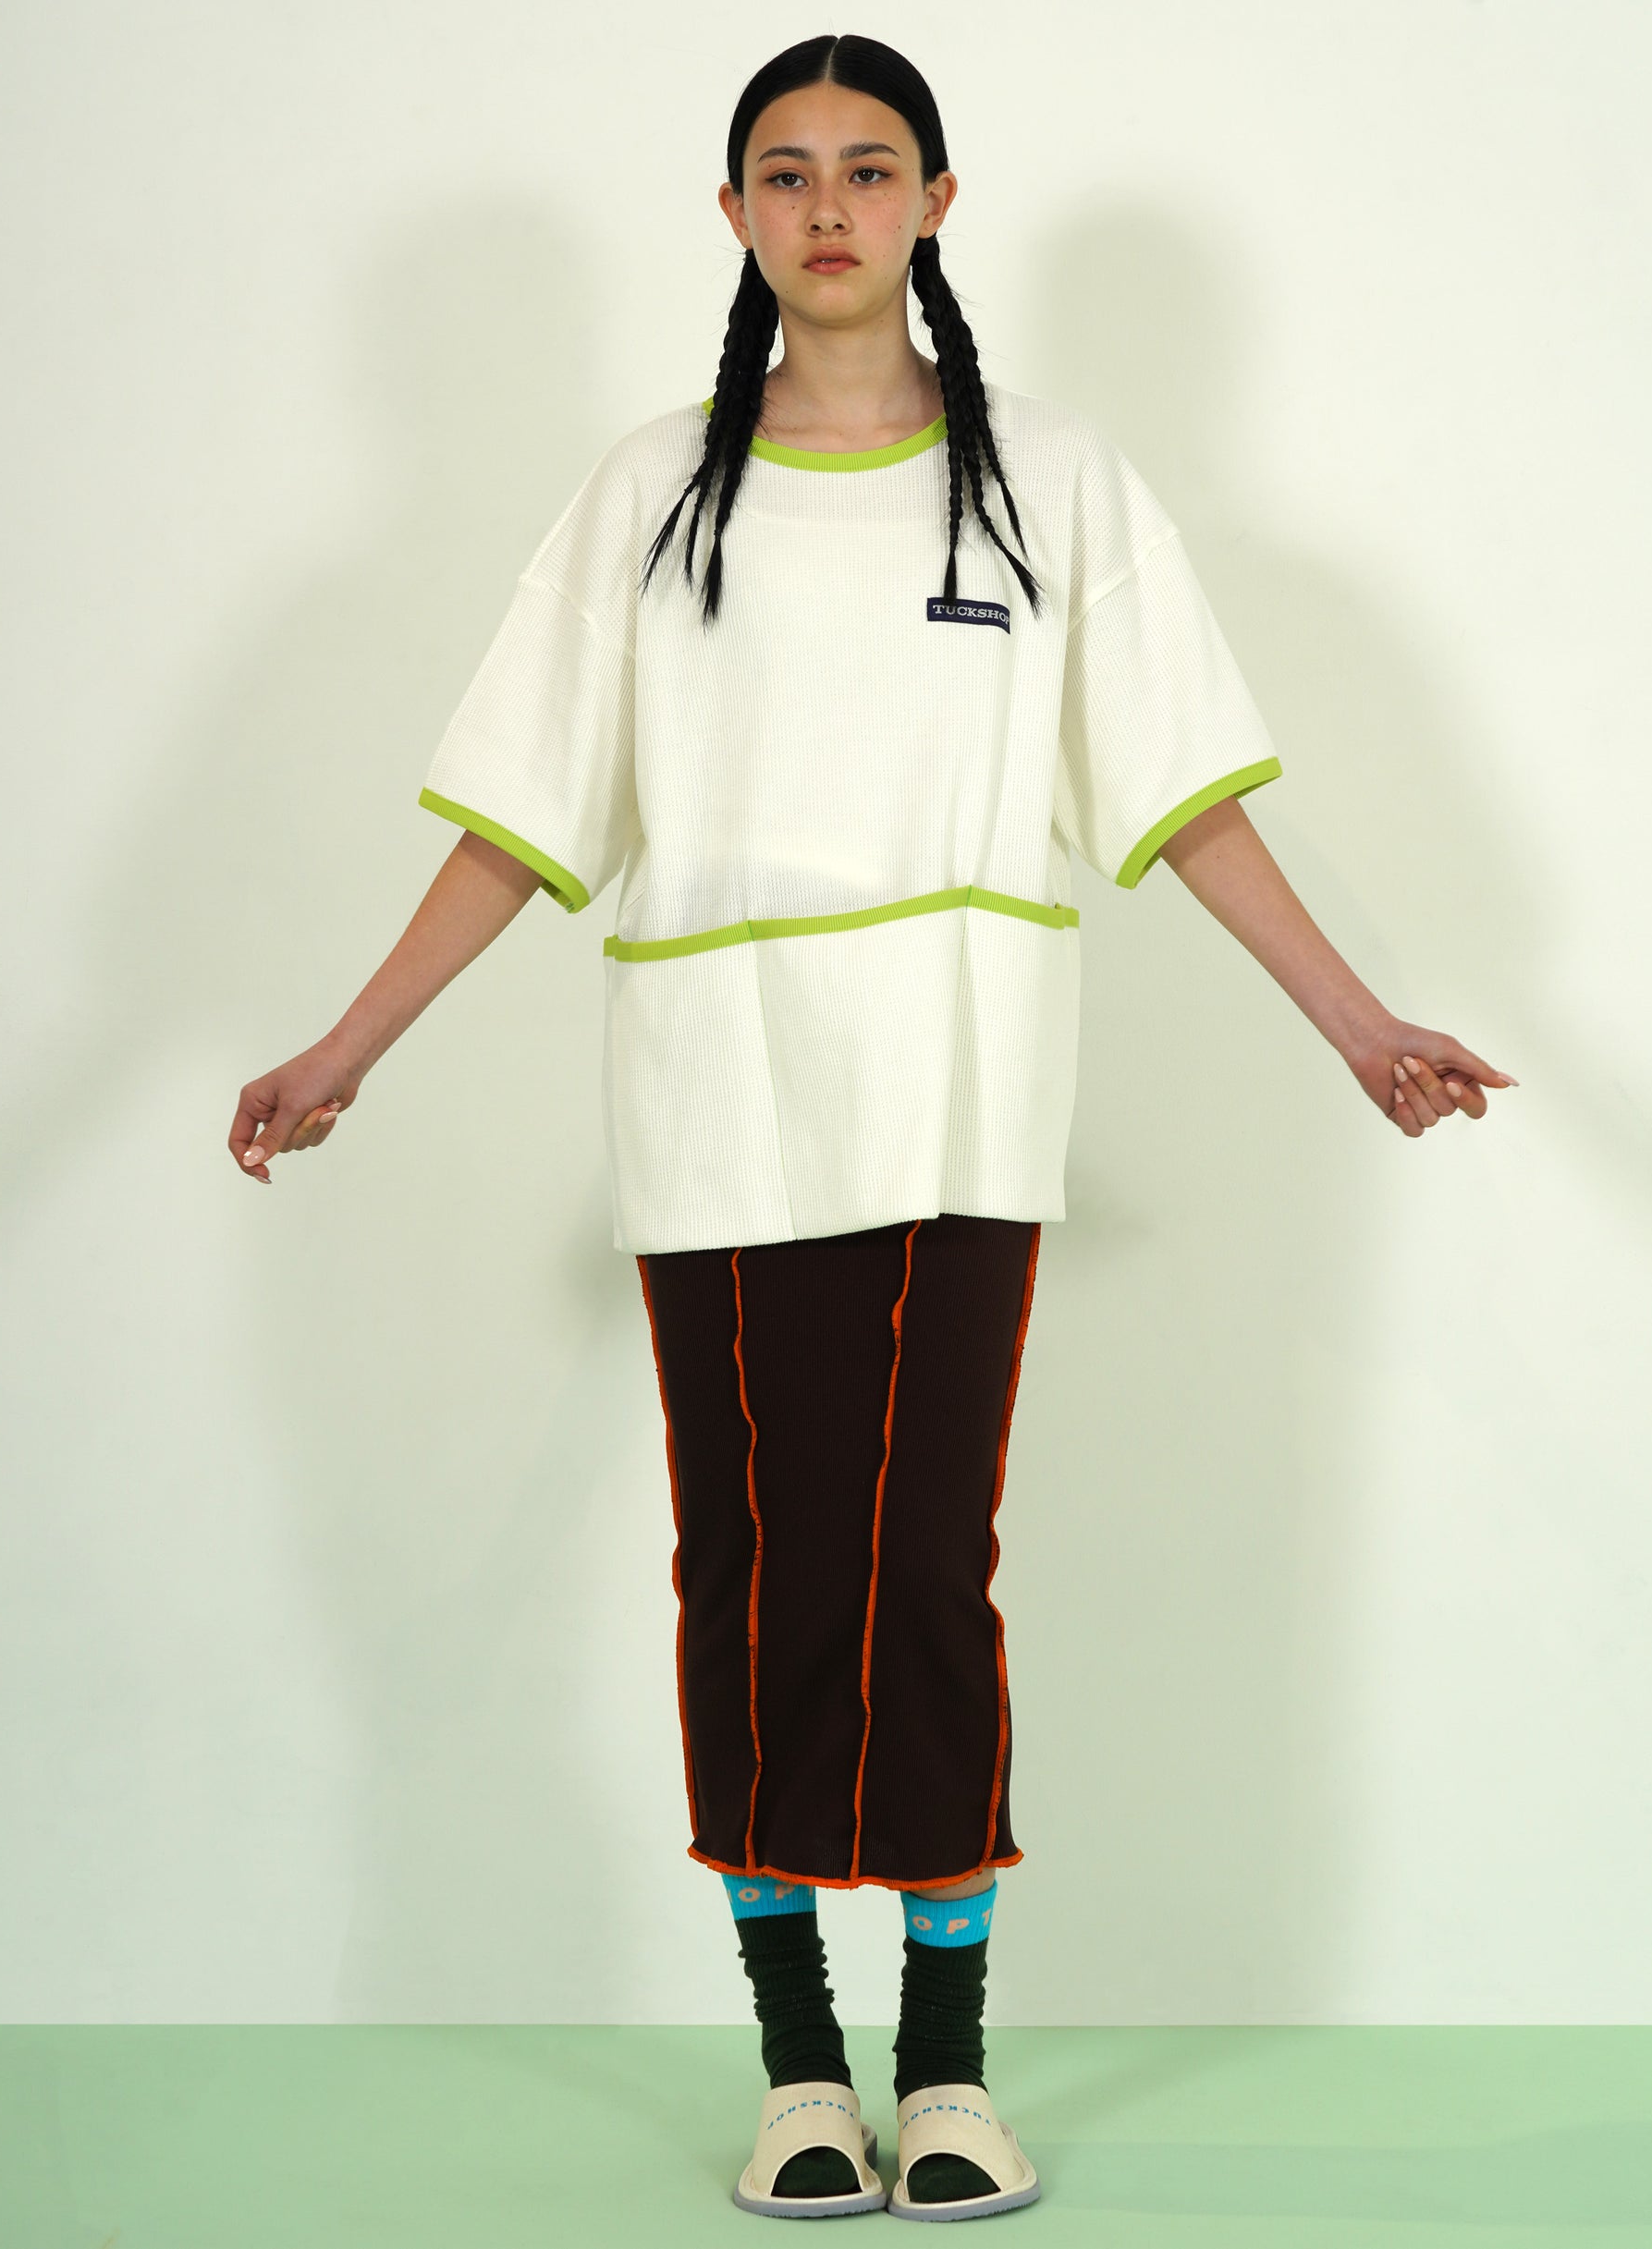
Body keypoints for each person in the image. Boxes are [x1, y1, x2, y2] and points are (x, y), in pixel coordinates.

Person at [229, 32, 1517, 2225]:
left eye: (868, 166)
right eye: (785, 170)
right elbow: (529, 810)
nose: (827, 206)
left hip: (957, 1093)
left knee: (926, 1564)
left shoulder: (1052, 486)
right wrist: (351, 1041)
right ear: (732, 212)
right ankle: (797, 2067)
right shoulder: (653, 492)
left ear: (936, 200)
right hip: (717, 1097)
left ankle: (946, 2066)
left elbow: (1178, 794)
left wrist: (1353, 1021)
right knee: (749, 1564)